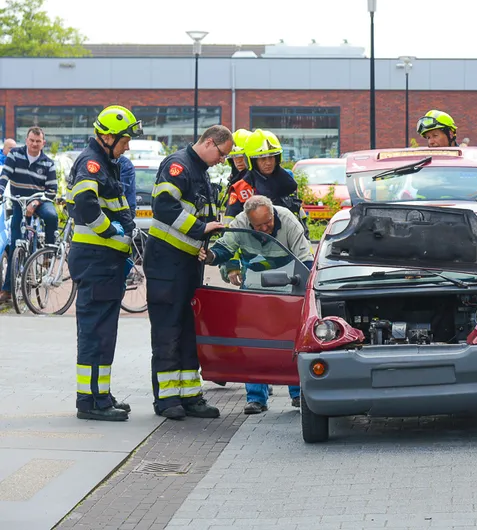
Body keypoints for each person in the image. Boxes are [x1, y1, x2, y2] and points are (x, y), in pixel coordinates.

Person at [144, 125, 230, 420]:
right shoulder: (178, 165)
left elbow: (200, 214)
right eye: (222, 154)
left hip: (187, 262)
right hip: (165, 263)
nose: (222, 160)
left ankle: (191, 396)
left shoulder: (200, 172)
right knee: (168, 331)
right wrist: (200, 229)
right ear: (209, 142)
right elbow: (163, 205)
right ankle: (167, 401)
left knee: (188, 330)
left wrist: (205, 242)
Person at [199, 194, 313, 412]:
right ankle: (256, 398)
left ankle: (298, 393)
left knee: (290, 337)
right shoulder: (240, 223)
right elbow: (224, 248)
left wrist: (304, 291)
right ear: (249, 221)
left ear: (273, 213)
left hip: (288, 279)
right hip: (254, 279)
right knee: (251, 338)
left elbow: (305, 258)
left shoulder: (288, 220)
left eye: (268, 222)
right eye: (258, 226)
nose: (265, 229)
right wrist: (210, 256)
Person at [65, 106, 142, 421]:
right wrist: (110, 232)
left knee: (104, 332)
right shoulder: (93, 162)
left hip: (104, 263)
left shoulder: (106, 162)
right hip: (97, 261)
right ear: (108, 136)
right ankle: (91, 402)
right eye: (124, 140)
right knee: (96, 332)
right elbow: (84, 203)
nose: (127, 146)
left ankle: (100, 394)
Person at [0, 127, 59, 305]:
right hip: (19, 202)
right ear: (26, 140)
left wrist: (36, 203)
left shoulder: (48, 163)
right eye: (31, 140)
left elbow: (52, 190)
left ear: (43, 143)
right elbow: (5, 176)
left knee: (51, 216)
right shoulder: (15, 155)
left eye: (38, 141)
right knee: (15, 243)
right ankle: (7, 290)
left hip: (39, 201)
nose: (34, 144)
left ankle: (48, 253)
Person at [416, 109, 477, 211]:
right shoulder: (426, 168)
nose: (431, 142)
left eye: (435, 135)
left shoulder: (472, 163)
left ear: (450, 134)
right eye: (428, 137)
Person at [224, 129, 298, 221]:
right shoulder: (240, 190)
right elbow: (230, 225)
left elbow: (299, 217)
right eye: (262, 159)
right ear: (253, 161)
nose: (268, 163)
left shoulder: (288, 184)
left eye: (271, 157)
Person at [219, 128, 252, 223]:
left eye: (241, 157)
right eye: (234, 157)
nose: (238, 161)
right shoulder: (236, 180)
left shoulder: (252, 182)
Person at [119, 154, 137, 218]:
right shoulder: (125, 163)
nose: (127, 147)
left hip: (124, 210)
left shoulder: (124, 163)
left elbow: (120, 190)